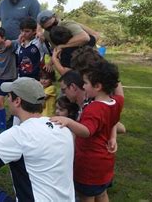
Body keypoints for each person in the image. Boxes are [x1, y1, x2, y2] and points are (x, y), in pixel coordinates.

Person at [51, 60, 124, 202]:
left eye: (85, 83)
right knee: (102, 193)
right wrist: (113, 137)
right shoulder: (116, 102)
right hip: (105, 162)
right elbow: (114, 117)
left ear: (97, 86)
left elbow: (86, 131)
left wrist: (69, 121)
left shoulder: (94, 108)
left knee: (86, 197)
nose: (83, 86)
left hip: (89, 165)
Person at [0, 27, 17, 133]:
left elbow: (20, 41)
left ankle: (3, 127)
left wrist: (12, 42)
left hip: (8, 78)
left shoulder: (10, 46)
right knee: (0, 102)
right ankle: (1, 125)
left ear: (3, 38)